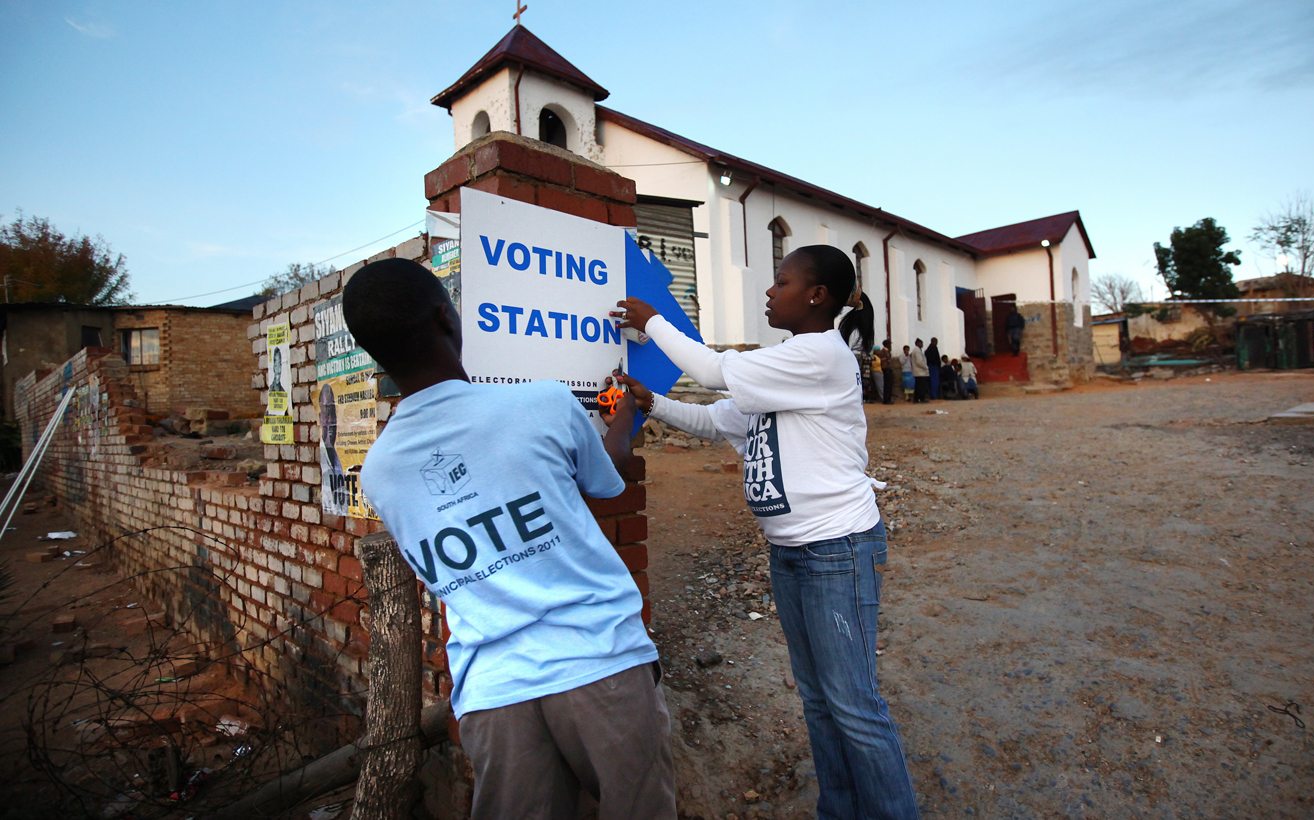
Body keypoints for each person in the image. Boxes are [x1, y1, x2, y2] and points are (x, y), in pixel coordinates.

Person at [342, 258, 675, 820]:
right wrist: (624, 416)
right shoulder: (541, 403)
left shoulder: (379, 471)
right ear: (448, 320)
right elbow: (606, 478)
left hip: (492, 696)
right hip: (599, 663)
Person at [613, 245, 920, 819]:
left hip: (837, 549)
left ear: (816, 296)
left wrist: (650, 319)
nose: (769, 291)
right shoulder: (781, 368)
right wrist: (651, 402)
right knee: (819, 703)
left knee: (853, 705)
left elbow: (709, 370)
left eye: (781, 281)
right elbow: (714, 418)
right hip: (792, 554)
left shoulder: (821, 356)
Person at [317, 383, 348, 515]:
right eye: (326, 412)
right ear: (320, 418)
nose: (330, 420)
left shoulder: (338, 463)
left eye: (332, 413)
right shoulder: (320, 458)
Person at [908, 338, 928, 404]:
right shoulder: (917, 351)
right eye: (920, 343)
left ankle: (916, 399)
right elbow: (919, 362)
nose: (922, 344)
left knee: (918, 386)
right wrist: (925, 367)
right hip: (920, 371)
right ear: (917, 343)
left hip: (919, 371)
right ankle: (921, 398)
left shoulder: (917, 350)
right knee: (921, 386)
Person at [879, 338, 896, 404]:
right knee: (887, 385)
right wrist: (886, 359)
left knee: (889, 385)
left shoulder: (887, 351)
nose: (890, 345)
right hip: (885, 369)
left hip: (888, 369)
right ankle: (886, 400)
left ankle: (888, 399)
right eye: (889, 344)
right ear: (886, 344)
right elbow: (881, 360)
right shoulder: (882, 351)